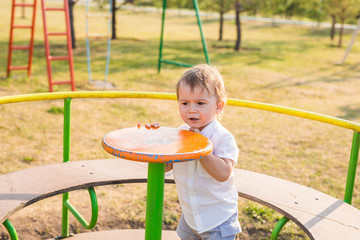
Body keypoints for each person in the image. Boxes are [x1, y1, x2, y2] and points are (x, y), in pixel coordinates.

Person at [165, 64, 241, 240]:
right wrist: (157, 143)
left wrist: (202, 150)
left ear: (219, 106)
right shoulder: (181, 133)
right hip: (191, 218)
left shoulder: (223, 137)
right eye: (185, 103)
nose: (191, 109)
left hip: (218, 220)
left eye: (200, 103)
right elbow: (166, 166)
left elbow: (223, 173)